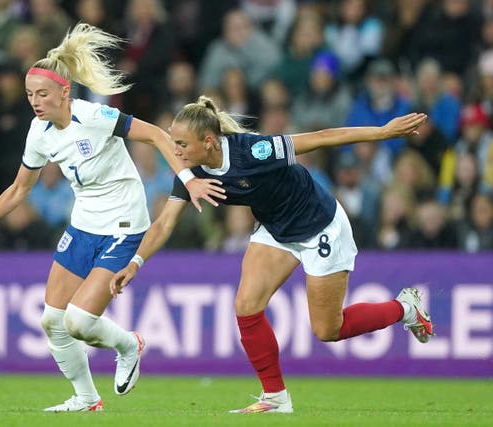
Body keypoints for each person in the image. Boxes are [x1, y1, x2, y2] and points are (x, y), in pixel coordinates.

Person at [0, 24, 223, 413]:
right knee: (51, 320)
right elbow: (20, 188)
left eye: (42, 93)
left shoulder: (94, 115)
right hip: (83, 226)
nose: (35, 101)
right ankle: (87, 399)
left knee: (78, 322)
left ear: (64, 92)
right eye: (29, 94)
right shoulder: (38, 132)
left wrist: (189, 180)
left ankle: (129, 345)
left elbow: (159, 135)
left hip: (125, 225)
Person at [110, 96, 433, 414]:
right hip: (275, 229)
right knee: (246, 306)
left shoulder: (252, 150)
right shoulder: (191, 174)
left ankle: (405, 308)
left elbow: (320, 138)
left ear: (208, 141)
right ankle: (275, 397)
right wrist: (135, 263)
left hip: (320, 226)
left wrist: (382, 132)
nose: (175, 151)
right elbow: (164, 223)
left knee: (328, 330)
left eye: (181, 143)